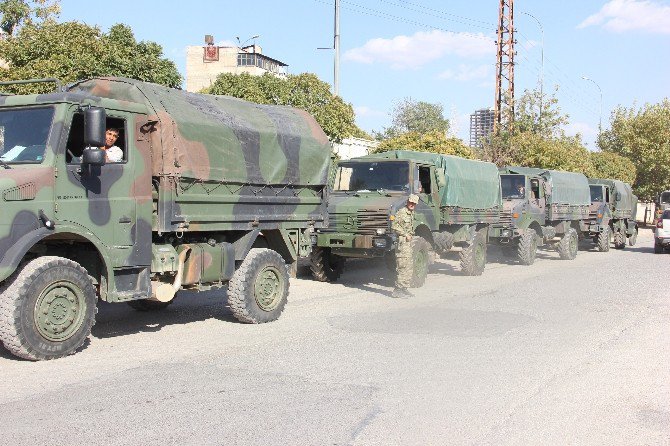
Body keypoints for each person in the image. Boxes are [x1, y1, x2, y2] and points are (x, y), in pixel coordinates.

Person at [391, 194, 419, 298]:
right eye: (411, 202)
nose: (412, 204)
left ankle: (404, 288)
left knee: (409, 266)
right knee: (402, 266)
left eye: (414, 203)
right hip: (402, 244)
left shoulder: (411, 213)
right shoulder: (401, 212)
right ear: (407, 202)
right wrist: (405, 234)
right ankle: (398, 290)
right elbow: (394, 226)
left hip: (408, 244)